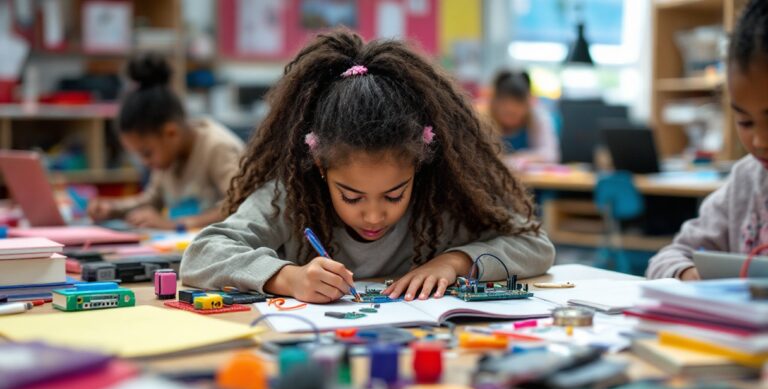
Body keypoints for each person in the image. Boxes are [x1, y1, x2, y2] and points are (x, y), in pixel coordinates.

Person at [180, 30, 555, 303]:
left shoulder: (442, 203)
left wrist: (455, 261)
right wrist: (287, 277)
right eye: (351, 195)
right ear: (320, 166)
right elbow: (202, 254)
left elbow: (536, 245)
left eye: (395, 194)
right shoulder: (288, 199)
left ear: (418, 169)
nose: (374, 215)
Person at [647, 0, 768, 280]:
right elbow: (668, 258)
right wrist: (692, 275)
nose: (760, 140)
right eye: (745, 122)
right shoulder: (748, 180)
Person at [87, 53, 244, 230]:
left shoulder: (217, 147)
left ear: (170, 133)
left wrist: (175, 225)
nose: (145, 162)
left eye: (146, 153)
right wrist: (113, 209)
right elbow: (152, 200)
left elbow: (240, 206)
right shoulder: (168, 155)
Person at [489, 70, 560, 165]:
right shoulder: (485, 119)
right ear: (494, 103)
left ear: (528, 104)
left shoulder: (538, 117)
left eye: (517, 105)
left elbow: (551, 154)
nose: (510, 109)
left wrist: (522, 157)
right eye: (504, 104)